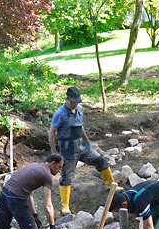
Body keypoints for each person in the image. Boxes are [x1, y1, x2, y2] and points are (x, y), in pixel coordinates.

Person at [49, 86, 114, 216]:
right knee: (67, 177)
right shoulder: (60, 113)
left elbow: (81, 127)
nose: (75, 104)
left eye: (77, 102)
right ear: (67, 99)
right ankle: (65, 206)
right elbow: (52, 133)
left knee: (100, 161)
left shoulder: (79, 110)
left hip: (82, 146)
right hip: (68, 149)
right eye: (73, 102)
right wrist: (54, 152)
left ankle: (110, 185)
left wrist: (88, 143)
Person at [0, 154, 64, 229]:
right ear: (53, 163)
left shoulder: (35, 166)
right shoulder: (47, 175)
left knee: (2, 227)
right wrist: (52, 226)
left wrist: (35, 215)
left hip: (4, 193)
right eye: (59, 167)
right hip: (16, 198)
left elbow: (29, 194)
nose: (60, 170)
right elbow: (48, 205)